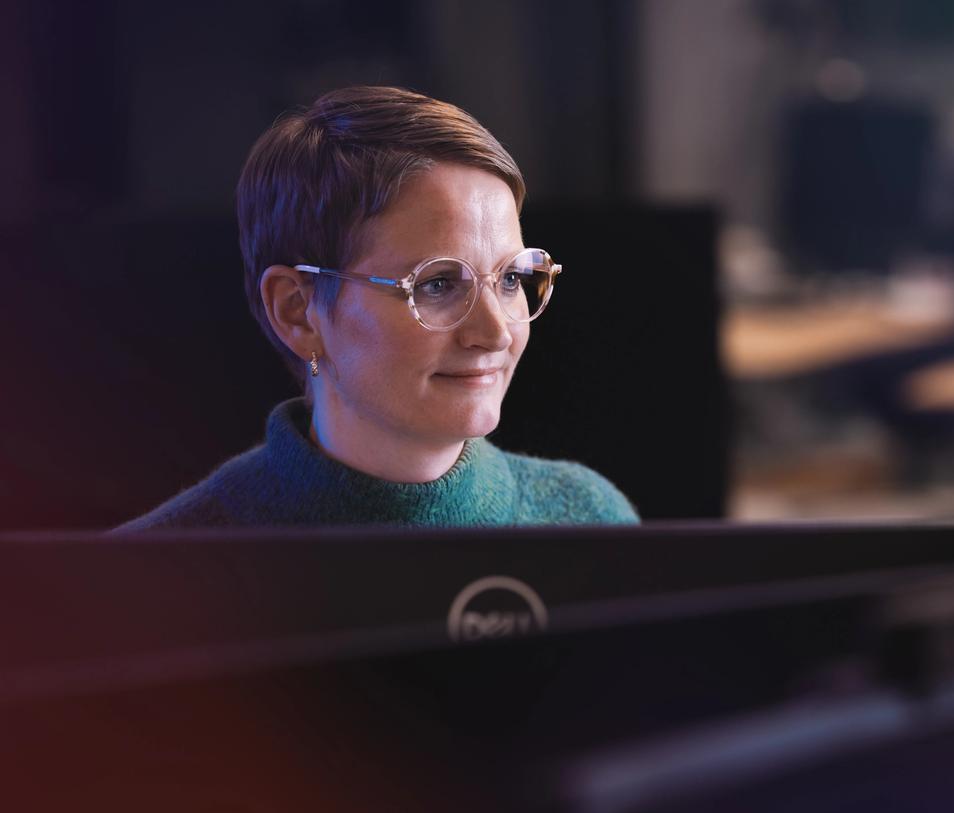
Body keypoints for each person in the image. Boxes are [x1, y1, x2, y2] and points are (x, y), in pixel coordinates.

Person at [119, 86, 638, 530]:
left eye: (509, 279)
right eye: (436, 284)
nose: (497, 332)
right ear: (298, 311)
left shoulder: (589, 518)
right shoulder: (145, 578)